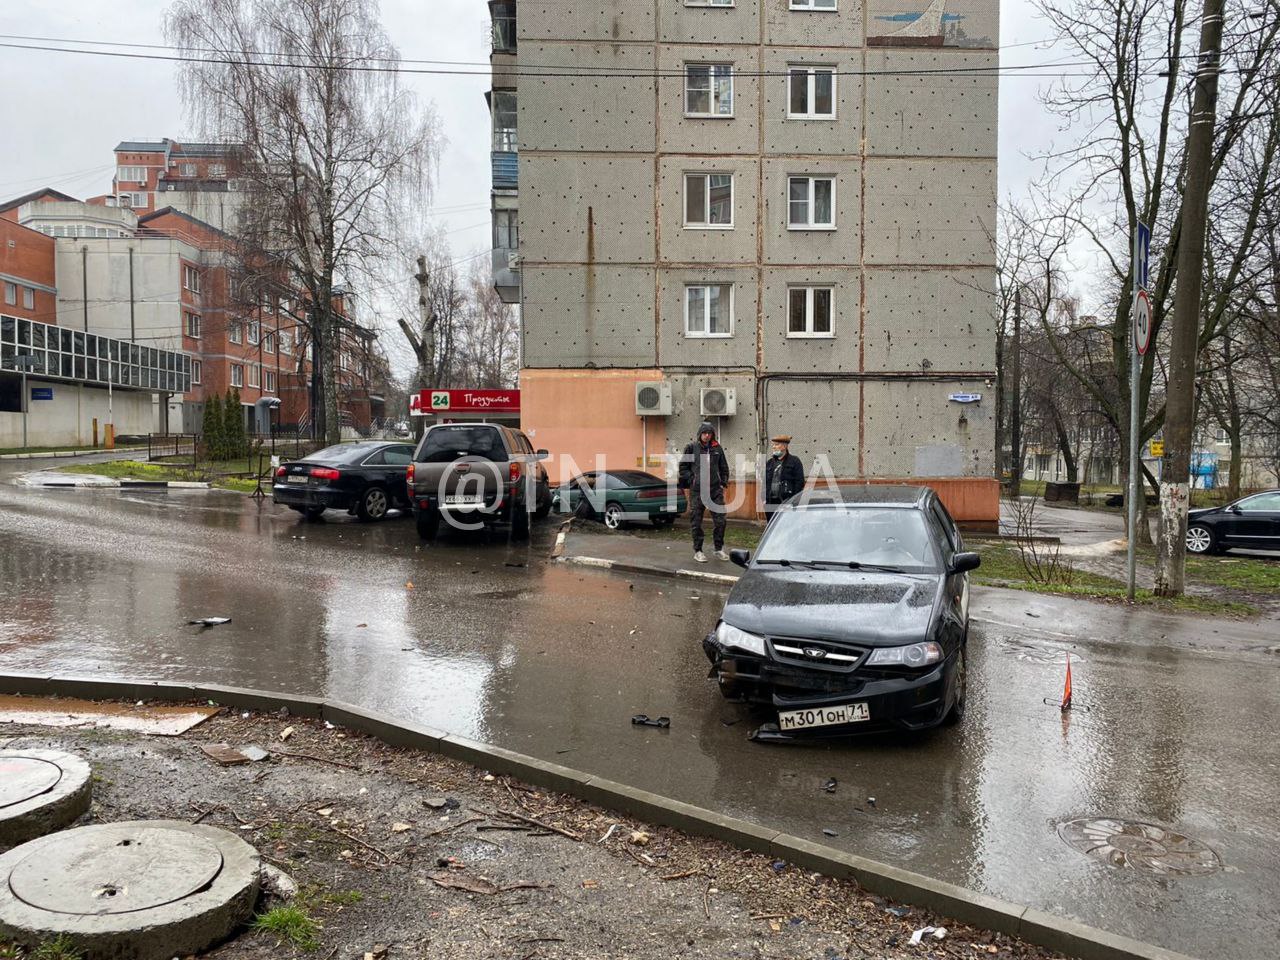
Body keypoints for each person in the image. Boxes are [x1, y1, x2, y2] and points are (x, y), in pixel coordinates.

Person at [678, 421, 729, 562]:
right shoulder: (691, 448)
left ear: (713, 434)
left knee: (721, 520)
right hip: (697, 491)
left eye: (709, 433)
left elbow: (724, 467)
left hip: (714, 490)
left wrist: (723, 482)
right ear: (700, 434)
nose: (707, 436)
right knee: (696, 521)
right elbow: (683, 467)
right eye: (704, 433)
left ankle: (718, 549)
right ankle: (698, 551)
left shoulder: (717, 448)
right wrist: (692, 479)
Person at [763, 435, 805, 516]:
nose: (774, 447)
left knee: (786, 525)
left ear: (785, 446)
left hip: (786, 502)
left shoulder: (794, 461)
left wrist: (793, 501)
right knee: (772, 525)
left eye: (777, 444)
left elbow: (799, 483)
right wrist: (764, 499)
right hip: (770, 502)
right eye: (773, 445)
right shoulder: (769, 463)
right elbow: (764, 482)